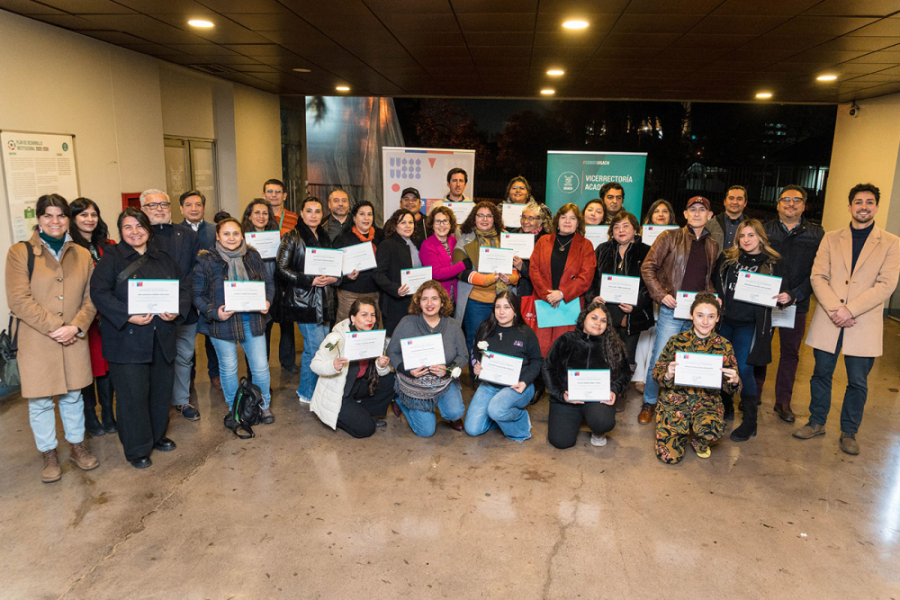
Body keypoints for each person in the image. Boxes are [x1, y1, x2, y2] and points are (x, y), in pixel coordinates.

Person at [793, 183, 900, 455]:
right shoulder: (831, 238)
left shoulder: (891, 242)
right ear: (850, 206)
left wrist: (850, 310)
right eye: (858, 202)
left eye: (869, 202)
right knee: (820, 374)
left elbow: (886, 284)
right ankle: (817, 422)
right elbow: (818, 276)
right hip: (830, 318)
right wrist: (835, 309)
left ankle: (849, 431)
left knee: (858, 381)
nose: (863, 206)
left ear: (876, 207)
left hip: (862, 321)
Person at [6, 194, 100, 483]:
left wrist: (76, 326)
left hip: (73, 336)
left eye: (60, 215)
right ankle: (48, 452)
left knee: (73, 396)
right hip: (38, 339)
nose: (55, 221)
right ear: (38, 219)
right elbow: (18, 300)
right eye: (48, 215)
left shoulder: (82, 254)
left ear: (68, 219)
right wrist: (57, 326)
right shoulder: (19, 253)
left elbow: (91, 296)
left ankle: (76, 446)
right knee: (41, 401)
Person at [91, 208, 190, 469]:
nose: (135, 232)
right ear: (120, 232)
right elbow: (99, 293)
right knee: (132, 397)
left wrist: (175, 310)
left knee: (159, 392)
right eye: (127, 227)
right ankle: (136, 449)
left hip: (161, 337)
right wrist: (127, 315)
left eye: (139, 226)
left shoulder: (164, 257)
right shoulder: (112, 257)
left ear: (148, 228)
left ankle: (157, 436)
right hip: (127, 340)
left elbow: (183, 287)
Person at [638, 196, 718, 425]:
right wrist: (661, 294)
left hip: (697, 316)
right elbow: (648, 267)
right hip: (671, 311)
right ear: (685, 214)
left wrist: (714, 298)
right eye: (692, 209)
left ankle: (680, 403)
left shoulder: (712, 245)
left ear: (709, 216)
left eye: (702, 210)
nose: (697, 213)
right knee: (660, 358)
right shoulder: (669, 237)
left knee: (690, 360)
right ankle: (650, 402)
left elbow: (707, 280)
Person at [194, 217, 275, 424]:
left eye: (236, 233)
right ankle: (235, 408)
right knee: (228, 368)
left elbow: (268, 284)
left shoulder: (253, 255)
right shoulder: (206, 259)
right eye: (226, 234)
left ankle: (263, 406)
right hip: (222, 323)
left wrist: (267, 301)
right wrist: (215, 312)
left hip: (253, 320)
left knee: (260, 368)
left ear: (242, 235)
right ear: (218, 236)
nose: (232, 238)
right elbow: (197, 295)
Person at [713, 219, 787, 441]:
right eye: (742, 236)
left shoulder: (774, 262)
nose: (746, 240)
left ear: (761, 237)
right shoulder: (728, 258)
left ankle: (750, 422)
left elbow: (785, 290)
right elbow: (716, 282)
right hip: (725, 320)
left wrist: (787, 296)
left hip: (751, 324)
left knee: (744, 370)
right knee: (721, 366)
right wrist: (716, 297)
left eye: (751, 235)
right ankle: (726, 407)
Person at [755, 185, 824, 423]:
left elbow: (819, 272)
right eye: (786, 199)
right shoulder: (764, 230)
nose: (791, 204)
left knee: (790, 354)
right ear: (778, 204)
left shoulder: (817, 234)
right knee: (761, 348)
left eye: (797, 200)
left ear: (804, 205)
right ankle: (753, 396)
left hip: (797, 304)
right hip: (766, 302)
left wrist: (795, 294)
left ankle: (783, 402)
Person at [652, 292, 741, 464]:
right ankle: (679, 432)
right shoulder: (676, 341)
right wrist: (667, 374)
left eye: (711, 316)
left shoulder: (724, 346)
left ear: (717, 319)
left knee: (712, 429)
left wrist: (735, 381)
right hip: (675, 401)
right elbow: (656, 373)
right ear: (691, 315)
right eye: (700, 315)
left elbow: (730, 388)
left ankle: (699, 439)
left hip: (707, 402)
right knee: (669, 457)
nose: (705, 322)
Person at [140, 189, 202, 421]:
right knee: (154, 358)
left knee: (184, 356)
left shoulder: (187, 235)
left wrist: (179, 305)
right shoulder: (138, 236)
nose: (159, 209)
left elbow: (195, 272)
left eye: (163, 204)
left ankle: (182, 401)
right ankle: (155, 403)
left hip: (183, 310)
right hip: (149, 313)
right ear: (143, 210)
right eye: (152, 205)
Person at [275, 196, 340, 405]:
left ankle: (312, 389)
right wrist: (309, 281)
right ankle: (306, 393)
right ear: (301, 214)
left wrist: (333, 276)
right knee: (314, 349)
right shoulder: (291, 237)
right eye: (309, 211)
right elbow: (281, 269)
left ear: (322, 215)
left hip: (325, 300)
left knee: (322, 349)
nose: (313, 215)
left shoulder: (324, 237)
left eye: (317, 211)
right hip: (305, 302)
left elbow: (332, 266)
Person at [587, 212, 654, 411]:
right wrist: (594, 297)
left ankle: (619, 392)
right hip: (605, 312)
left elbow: (651, 284)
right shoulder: (602, 249)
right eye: (616, 227)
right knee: (602, 353)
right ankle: (599, 389)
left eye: (625, 226)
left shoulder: (646, 251)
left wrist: (637, 304)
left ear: (635, 228)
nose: (621, 231)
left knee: (626, 356)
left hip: (632, 314)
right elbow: (592, 280)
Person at [543, 300, 630, 449]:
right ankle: (573, 420)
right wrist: (560, 394)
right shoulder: (566, 339)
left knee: (602, 422)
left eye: (603, 321)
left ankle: (597, 430)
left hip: (597, 399)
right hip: (567, 398)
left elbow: (625, 372)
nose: (598, 323)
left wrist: (614, 390)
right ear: (584, 318)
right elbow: (548, 368)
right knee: (561, 442)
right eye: (594, 318)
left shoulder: (613, 345)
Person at [386, 281, 468, 437]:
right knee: (426, 431)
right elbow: (392, 352)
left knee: (455, 412)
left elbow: (463, 356)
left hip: (444, 380)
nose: (429, 303)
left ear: (442, 302)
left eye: (435, 298)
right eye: (425, 299)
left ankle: (446, 412)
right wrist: (408, 371)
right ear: (418, 302)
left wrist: (448, 369)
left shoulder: (453, 326)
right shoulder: (407, 323)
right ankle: (401, 400)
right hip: (414, 382)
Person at [309, 297, 396, 438]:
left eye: (372, 315)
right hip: (341, 393)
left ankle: (362, 413)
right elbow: (315, 364)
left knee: (391, 380)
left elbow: (380, 372)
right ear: (352, 318)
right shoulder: (336, 338)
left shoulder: (374, 336)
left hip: (359, 385)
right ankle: (336, 416)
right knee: (366, 430)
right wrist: (333, 365)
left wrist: (381, 366)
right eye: (364, 315)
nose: (370, 319)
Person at [68, 197, 117, 437]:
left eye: (93, 214)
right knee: (87, 368)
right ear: (73, 218)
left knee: (106, 367)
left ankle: (108, 414)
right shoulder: (68, 248)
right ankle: (90, 416)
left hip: (106, 318)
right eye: (83, 215)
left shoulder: (108, 245)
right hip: (83, 319)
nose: (89, 219)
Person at [466, 292, 542, 441]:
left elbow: (538, 360)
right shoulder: (485, 328)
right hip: (490, 384)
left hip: (517, 386)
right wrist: (476, 367)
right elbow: (475, 354)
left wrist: (524, 382)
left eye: (507, 307)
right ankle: (497, 415)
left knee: (496, 409)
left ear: (515, 310)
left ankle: (519, 417)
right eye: (498, 307)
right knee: (472, 429)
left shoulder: (525, 332)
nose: (501, 312)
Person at [529, 203, 596, 355]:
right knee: (541, 347)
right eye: (563, 217)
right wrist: (548, 295)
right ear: (557, 221)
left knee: (565, 348)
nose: (567, 221)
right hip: (544, 301)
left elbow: (586, 277)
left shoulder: (585, 245)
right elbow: (534, 269)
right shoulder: (543, 241)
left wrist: (562, 293)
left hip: (569, 304)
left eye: (572, 218)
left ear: (578, 223)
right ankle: (540, 379)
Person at [453, 201, 520, 352]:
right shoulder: (465, 239)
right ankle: (474, 374)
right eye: (481, 215)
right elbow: (459, 270)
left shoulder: (505, 239)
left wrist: (512, 279)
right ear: (474, 218)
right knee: (475, 339)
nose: (485, 219)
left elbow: (515, 269)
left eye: (489, 216)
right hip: (476, 302)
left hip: (502, 300)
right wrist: (483, 280)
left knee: (500, 340)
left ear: (494, 219)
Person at [631, 199, 678, 394]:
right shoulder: (640, 239)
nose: (660, 214)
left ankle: (657, 376)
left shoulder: (678, 237)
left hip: (667, 292)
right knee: (645, 333)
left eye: (665, 211)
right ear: (649, 216)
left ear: (671, 216)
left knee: (662, 336)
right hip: (644, 290)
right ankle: (640, 376)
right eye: (656, 211)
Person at [178, 189, 220, 392]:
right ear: (181, 208)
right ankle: (189, 375)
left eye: (198, 205)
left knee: (212, 334)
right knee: (186, 335)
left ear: (204, 208)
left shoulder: (215, 231)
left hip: (210, 291)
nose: (194, 208)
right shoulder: (174, 232)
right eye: (189, 205)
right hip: (184, 291)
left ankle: (215, 373)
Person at [264, 178, 299, 374]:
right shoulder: (259, 216)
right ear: (264, 194)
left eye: (278, 192)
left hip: (286, 272)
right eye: (270, 191)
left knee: (287, 321)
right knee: (265, 320)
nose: (274, 195)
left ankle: (288, 361)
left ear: (284, 195)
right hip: (266, 273)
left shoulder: (294, 218)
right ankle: (263, 362)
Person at [241, 198, 280, 358]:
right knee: (251, 338)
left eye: (265, 213)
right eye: (257, 212)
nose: (261, 216)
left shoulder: (276, 239)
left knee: (266, 335)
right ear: (249, 216)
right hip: (250, 294)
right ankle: (252, 378)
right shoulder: (240, 239)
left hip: (271, 293)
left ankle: (261, 378)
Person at [373, 209, 421, 336]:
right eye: (403, 222)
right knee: (396, 342)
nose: (407, 226)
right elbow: (378, 274)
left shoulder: (416, 245)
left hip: (415, 301)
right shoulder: (387, 245)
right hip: (395, 304)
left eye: (410, 222)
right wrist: (395, 289)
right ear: (395, 225)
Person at [333, 200, 383, 321]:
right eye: (362, 214)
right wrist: (346, 277)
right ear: (354, 218)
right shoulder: (343, 239)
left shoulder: (381, 237)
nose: (366, 218)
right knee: (345, 330)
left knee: (370, 330)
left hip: (374, 294)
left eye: (369, 214)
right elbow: (333, 269)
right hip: (349, 294)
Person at [512, 201, 552, 333]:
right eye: (523, 217)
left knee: (528, 332)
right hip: (511, 290)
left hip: (532, 294)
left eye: (531, 218)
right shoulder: (511, 235)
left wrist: (522, 267)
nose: (525, 221)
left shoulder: (546, 240)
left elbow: (545, 274)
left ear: (540, 221)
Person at [420, 206, 466, 303]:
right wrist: (462, 265)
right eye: (438, 221)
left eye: (445, 221)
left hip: (454, 298)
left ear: (450, 224)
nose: (442, 225)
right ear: (432, 224)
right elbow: (437, 273)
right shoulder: (427, 245)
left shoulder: (453, 240)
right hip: (437, 299)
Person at [706, 185, 748, 254]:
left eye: (739, 199)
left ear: (745, 203)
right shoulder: (710, 224)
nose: (735, 202)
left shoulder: (751, 226)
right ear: (724, 202)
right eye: (731, 198)